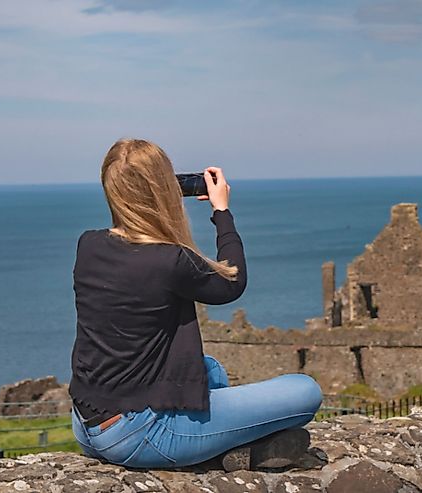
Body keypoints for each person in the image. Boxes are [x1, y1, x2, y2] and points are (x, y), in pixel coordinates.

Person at [69, 139, 323, 470]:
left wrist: (148, 186)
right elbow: (231, 282)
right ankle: (225, 447)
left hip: (87, 424)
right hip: (138, 433)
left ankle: (216, 443)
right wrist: (221, 211)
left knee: (210, 369)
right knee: (305, 392)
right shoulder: (169, 260)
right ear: (161, 189)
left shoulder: (88, 244)